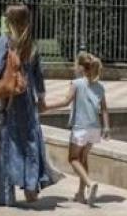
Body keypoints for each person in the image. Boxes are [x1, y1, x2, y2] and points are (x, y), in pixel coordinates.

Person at [0, 4, 59, 208]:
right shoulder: (32, 45)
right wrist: (41, 98)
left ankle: (5, 196)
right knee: (30, 141)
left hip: (7, 99)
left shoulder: (5, 41)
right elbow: (38, 74)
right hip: (27, 100)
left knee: (6, 143)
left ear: (10, 21)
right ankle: (31, 186)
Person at [47, 52, 110, 205]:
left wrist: (45, 107)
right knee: (83, 159)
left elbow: (65, 102)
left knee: (73, 159)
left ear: (81, 68)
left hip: (80, 128)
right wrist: (107, 127)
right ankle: (81, 194)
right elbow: (105, 109)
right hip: (95, 128)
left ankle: (89, 183)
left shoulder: (76, 83)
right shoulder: (100, 87)